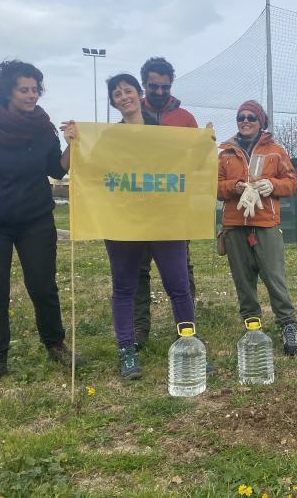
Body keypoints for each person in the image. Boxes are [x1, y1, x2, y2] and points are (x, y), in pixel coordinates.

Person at [0, 60, 79, 387]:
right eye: (24, 89)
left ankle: (55, 345)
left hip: (36, 220)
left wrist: (71, 144)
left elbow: (57, 169)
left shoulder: (43, 128)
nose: (31, 95)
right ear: (8, 91)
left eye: (35, 89)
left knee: (43, 286)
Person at [103, 73, 195, 380]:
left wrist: (203, 144)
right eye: (117, 94)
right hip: (124, 220)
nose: (124, 96)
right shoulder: (108, 136)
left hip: (163, 219)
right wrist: (74, 140)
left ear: (138, 93)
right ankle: (127, 350)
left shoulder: (162, 132)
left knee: (178, 285)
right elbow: (90, 168)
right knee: (125, 287)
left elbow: (186, 161)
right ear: (113, 102)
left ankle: (189, 344)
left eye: (128, 90)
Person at [217, 100, 297, 356]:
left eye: (251, 117)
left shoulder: (276, 150)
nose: (245, 121)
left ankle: (288, 325)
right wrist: (235, 187)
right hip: (234, 225)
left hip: (266, 224)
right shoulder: (225, 153)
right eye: (240, 117)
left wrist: (272, 185)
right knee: (243, 282)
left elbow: (291, 182)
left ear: (261, 122)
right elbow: (215, 187)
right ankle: (252, 327)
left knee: (275, 279)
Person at [133, 57, 198, 350]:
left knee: (181, 270)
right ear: (144, 84)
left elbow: (199, 162)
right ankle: (138, 330)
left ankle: (186, 326)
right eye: (153, 86)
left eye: (165, 86)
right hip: (137, 209)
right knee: (137, 270)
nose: (159, 91)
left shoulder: (185, 118)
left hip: (174, 210)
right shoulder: (130, 116)